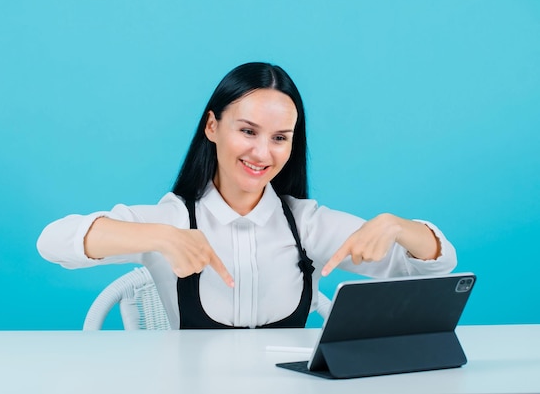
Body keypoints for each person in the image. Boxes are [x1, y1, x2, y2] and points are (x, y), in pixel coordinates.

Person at [37, 62, 457, 329]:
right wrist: (160, 239)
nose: (262, 152)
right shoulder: (173, 220)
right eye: (247, 131)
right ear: (212, 127)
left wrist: (399, 228)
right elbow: (54, 242)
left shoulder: (307, 225)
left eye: (280, 138)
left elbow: (435, 272)